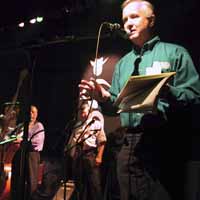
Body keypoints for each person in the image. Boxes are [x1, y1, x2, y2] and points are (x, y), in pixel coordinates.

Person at [79, 0, 200, 199]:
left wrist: (167, 91)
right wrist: (104, 97)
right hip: (130, 144)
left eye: (134, 16)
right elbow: (116, 108)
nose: (128, 23)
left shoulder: (175, 53)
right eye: (125, 19)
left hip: (165, 140)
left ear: (151, 20)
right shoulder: (123, 64)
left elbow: (195, 97)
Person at [66, 99, 106, 200]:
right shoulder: (78, 125)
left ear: (90, 111)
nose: (82, 113)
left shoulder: (96, 123)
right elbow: (73, 141)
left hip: (90, 154)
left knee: (94, 183)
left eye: (84, 111)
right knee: (79, 182)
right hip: (78, 155)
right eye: (81, 111)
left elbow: (102, 141)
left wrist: (99, 156)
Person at [11, 105, 45, 200]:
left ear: (36, 114)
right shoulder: (21, 125)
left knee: (31, 180)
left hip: (31, 155)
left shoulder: (39, 126)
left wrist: (22, 141)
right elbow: (11, 136)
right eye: (29, 112)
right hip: (20, 153)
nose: (31, 114)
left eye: (33, 112)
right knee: (17, 179)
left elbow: (37, 142)